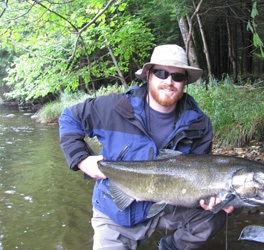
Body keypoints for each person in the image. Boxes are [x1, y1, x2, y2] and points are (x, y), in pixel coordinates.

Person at [59, 44, 234, 250]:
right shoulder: (113, 108)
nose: (169, 82)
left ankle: (170, 246)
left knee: (215, 215)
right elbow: (69, 118)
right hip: (115, 210)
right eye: (162, 73)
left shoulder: (198, 124)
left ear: (185, 82)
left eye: (177, 77)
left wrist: (207, 199)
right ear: (149, 75)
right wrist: (81, 159)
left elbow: (201, 174)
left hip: (168, 207)